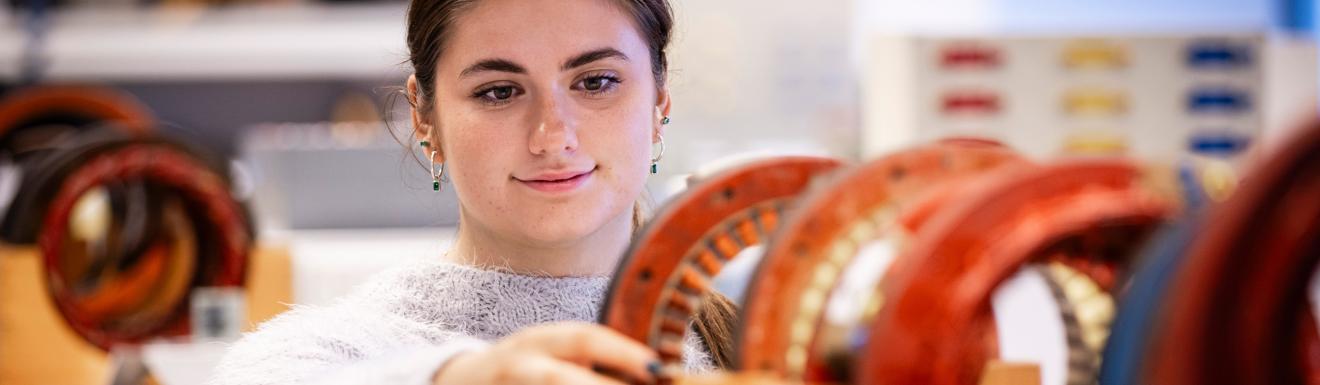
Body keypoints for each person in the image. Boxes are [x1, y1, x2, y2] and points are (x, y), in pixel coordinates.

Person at [209, 0, 737, 384]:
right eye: (499, 92)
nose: (553, 136)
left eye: (595, 82)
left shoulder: (749, 344)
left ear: (660, 99)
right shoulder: (352, 348)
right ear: (425, 116)